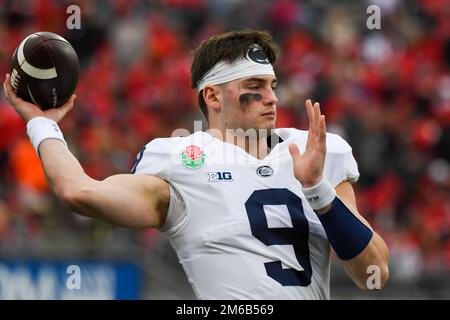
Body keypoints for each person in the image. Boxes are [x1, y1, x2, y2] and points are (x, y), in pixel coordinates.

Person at [3, 29, 388, 299]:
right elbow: (77, 191)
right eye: (255, 86)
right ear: (213, 96)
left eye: (273, 85)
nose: (271, 97)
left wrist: (318, 191)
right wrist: (42, 125)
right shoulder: (178, 160)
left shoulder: (315, 152)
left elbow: (374, 275)